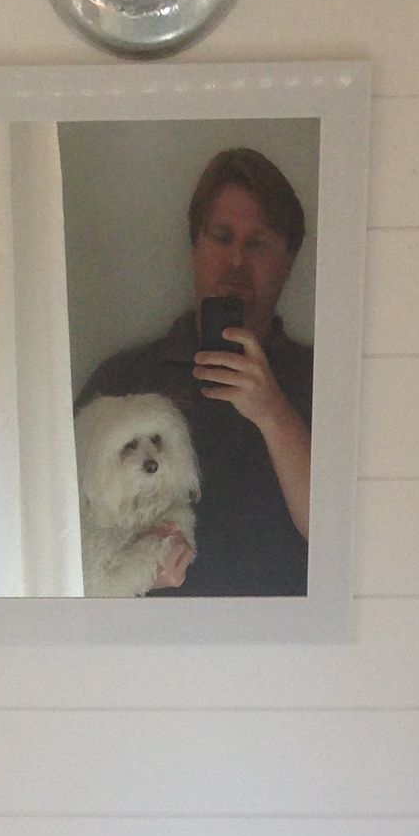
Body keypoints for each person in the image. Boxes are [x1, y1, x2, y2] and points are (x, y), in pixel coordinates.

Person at [76, 147, 312, 596]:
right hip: (144, 649)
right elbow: (57, 528)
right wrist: (134, 575)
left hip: (286, 648)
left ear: (289, 258)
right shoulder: (124, 381)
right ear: (194, 248)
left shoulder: (318, 378)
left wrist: (274, 413)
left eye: (258, 243)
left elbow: (340, 532)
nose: (237, 262)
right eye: (221, 238)